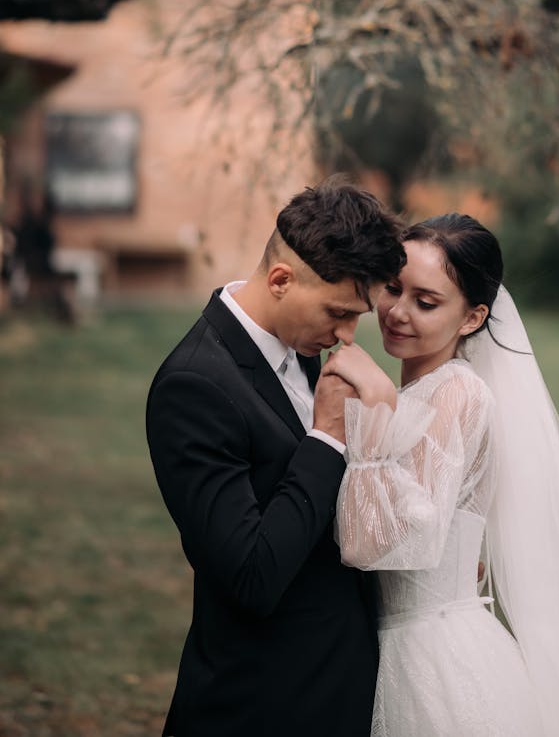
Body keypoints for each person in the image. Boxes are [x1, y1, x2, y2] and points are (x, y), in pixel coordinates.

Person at [325, 213, 559, 737]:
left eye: (426, 302)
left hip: (434, 658)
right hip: (396, 642)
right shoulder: (419, 392)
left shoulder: (457, 393)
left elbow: (378, 546)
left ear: (472, 319)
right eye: (392, 288)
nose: (397, 312)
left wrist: (371, 419)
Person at [146, 177, 405, 737]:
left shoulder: (302, 347)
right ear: (282, 280)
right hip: (260, 703)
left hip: (336, 686)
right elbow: (251, 575)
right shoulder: (193, 386)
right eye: (338, 312)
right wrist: (329, 436)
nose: (348, 336)